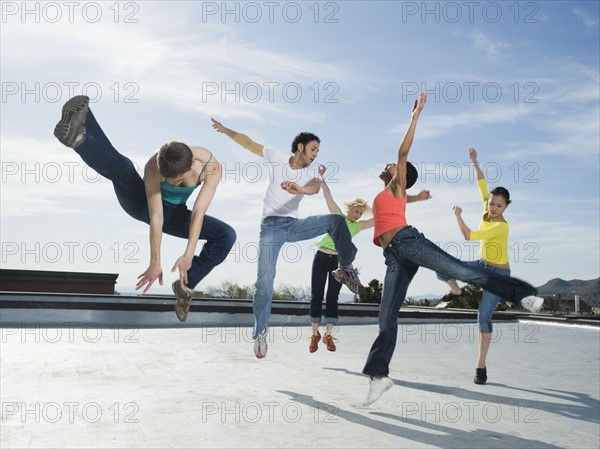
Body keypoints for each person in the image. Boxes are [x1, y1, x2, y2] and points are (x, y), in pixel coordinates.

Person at [361, 92, 544, 406]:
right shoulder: (391, 195)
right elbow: (393, 201)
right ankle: (378, 376)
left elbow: (402, 150)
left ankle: (522, 293)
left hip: (408, 241)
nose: (389, 164)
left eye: (393, 166)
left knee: (458, 269)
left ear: (400, 176)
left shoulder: (396, 186)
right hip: (393, 255)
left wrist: (414, 116)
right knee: (386, 315)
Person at [53, 96, 236, 322]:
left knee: (226, 235)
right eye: (167, 180)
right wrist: (155, 261)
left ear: (190, 167)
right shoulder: (153, 165)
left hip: (177, 214)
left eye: (177, 181)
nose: (172, 184)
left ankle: (184, 286)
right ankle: (79, 137)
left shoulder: (212, 168)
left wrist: (188, 255)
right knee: (123, 168)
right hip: (140, 204)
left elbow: (198, 213)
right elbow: (156, 217)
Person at [211, 118, 363, 358]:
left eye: (318, 151)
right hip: (270, 228)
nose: (316, 155)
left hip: (294, 226)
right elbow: (249, 143)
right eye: (313, 149)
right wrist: (225, 130)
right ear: (301, 147)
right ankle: (260, 331)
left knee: (336, 220)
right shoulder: (276, 155)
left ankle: (345, 267)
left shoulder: (312, 172)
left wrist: (299, 189)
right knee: (264, 283)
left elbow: (314, 187)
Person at [309, 166, 431, 353]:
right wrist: (322, 177)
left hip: (338, 263)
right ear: (349, 209)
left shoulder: (357, 227)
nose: (357, 215)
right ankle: (314, 333)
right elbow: (327, 195)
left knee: (332, 297)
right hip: (320, 257)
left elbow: (380, 215)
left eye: (360, 213)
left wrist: (405, 200)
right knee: (317, 295)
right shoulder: (337, 217)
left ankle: (328, 334)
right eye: (355, 211)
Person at [437, 147, 523, 385]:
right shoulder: (487, 207)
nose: (493, 208)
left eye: (499, 206)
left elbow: (468, 236)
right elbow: (482, 184)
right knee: (442, 267)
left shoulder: (502, 226)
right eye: (492, 204)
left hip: (498, 274)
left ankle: (481, 365)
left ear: (506, 208)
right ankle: (456, 290)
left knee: (483, 317)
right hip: (481, 265)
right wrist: (475, 162)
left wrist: (458, 216)